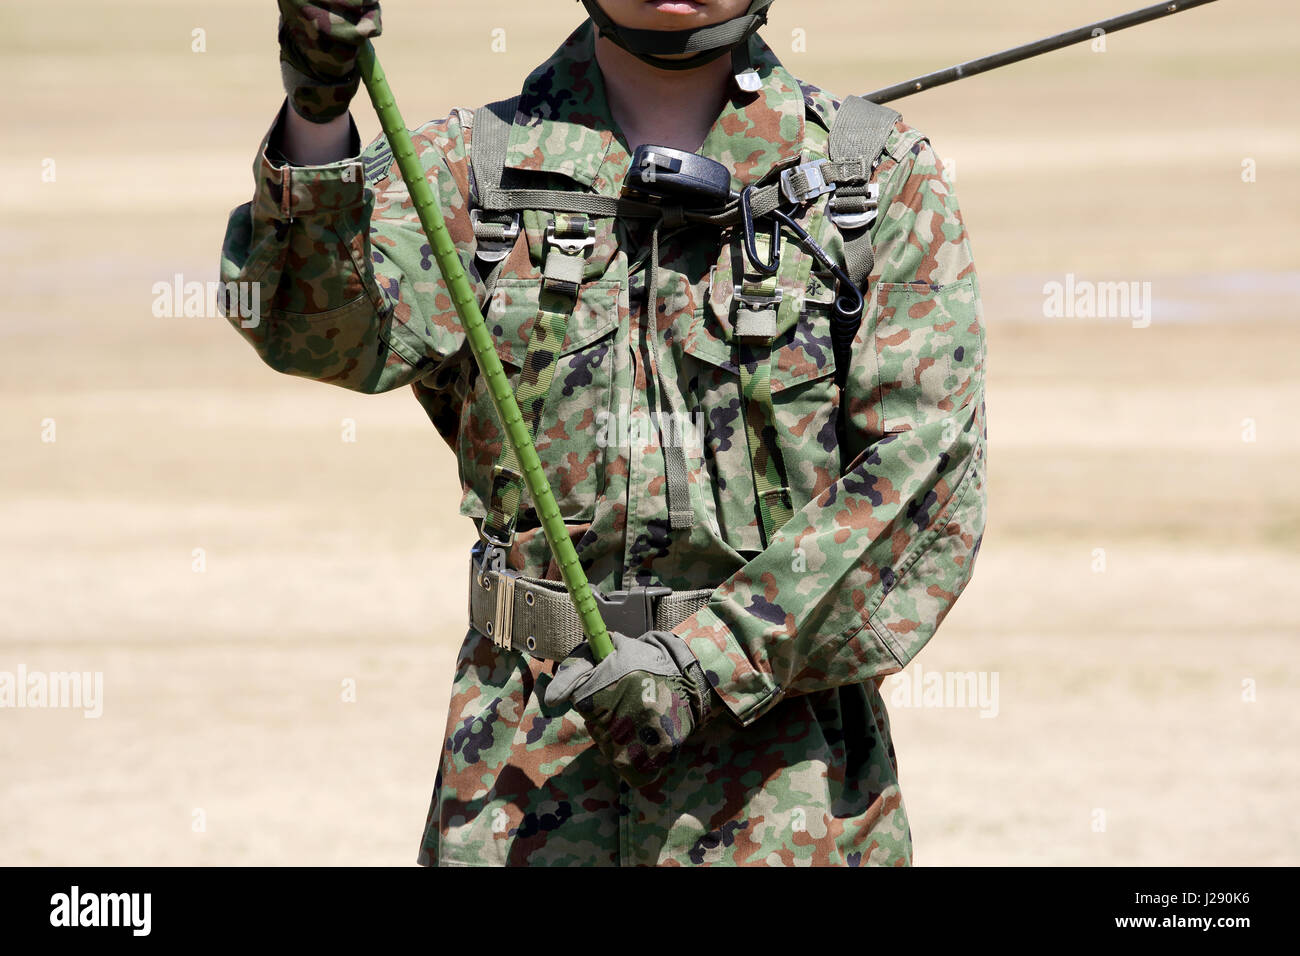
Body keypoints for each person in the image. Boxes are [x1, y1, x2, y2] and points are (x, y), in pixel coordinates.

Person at [220, 0, 987, 866]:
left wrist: (708, 658)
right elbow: (313, 331)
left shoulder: (870, 181)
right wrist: (320, 105)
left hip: (787, 782)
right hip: (524, 773)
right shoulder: (470, 172)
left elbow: (922, 477)